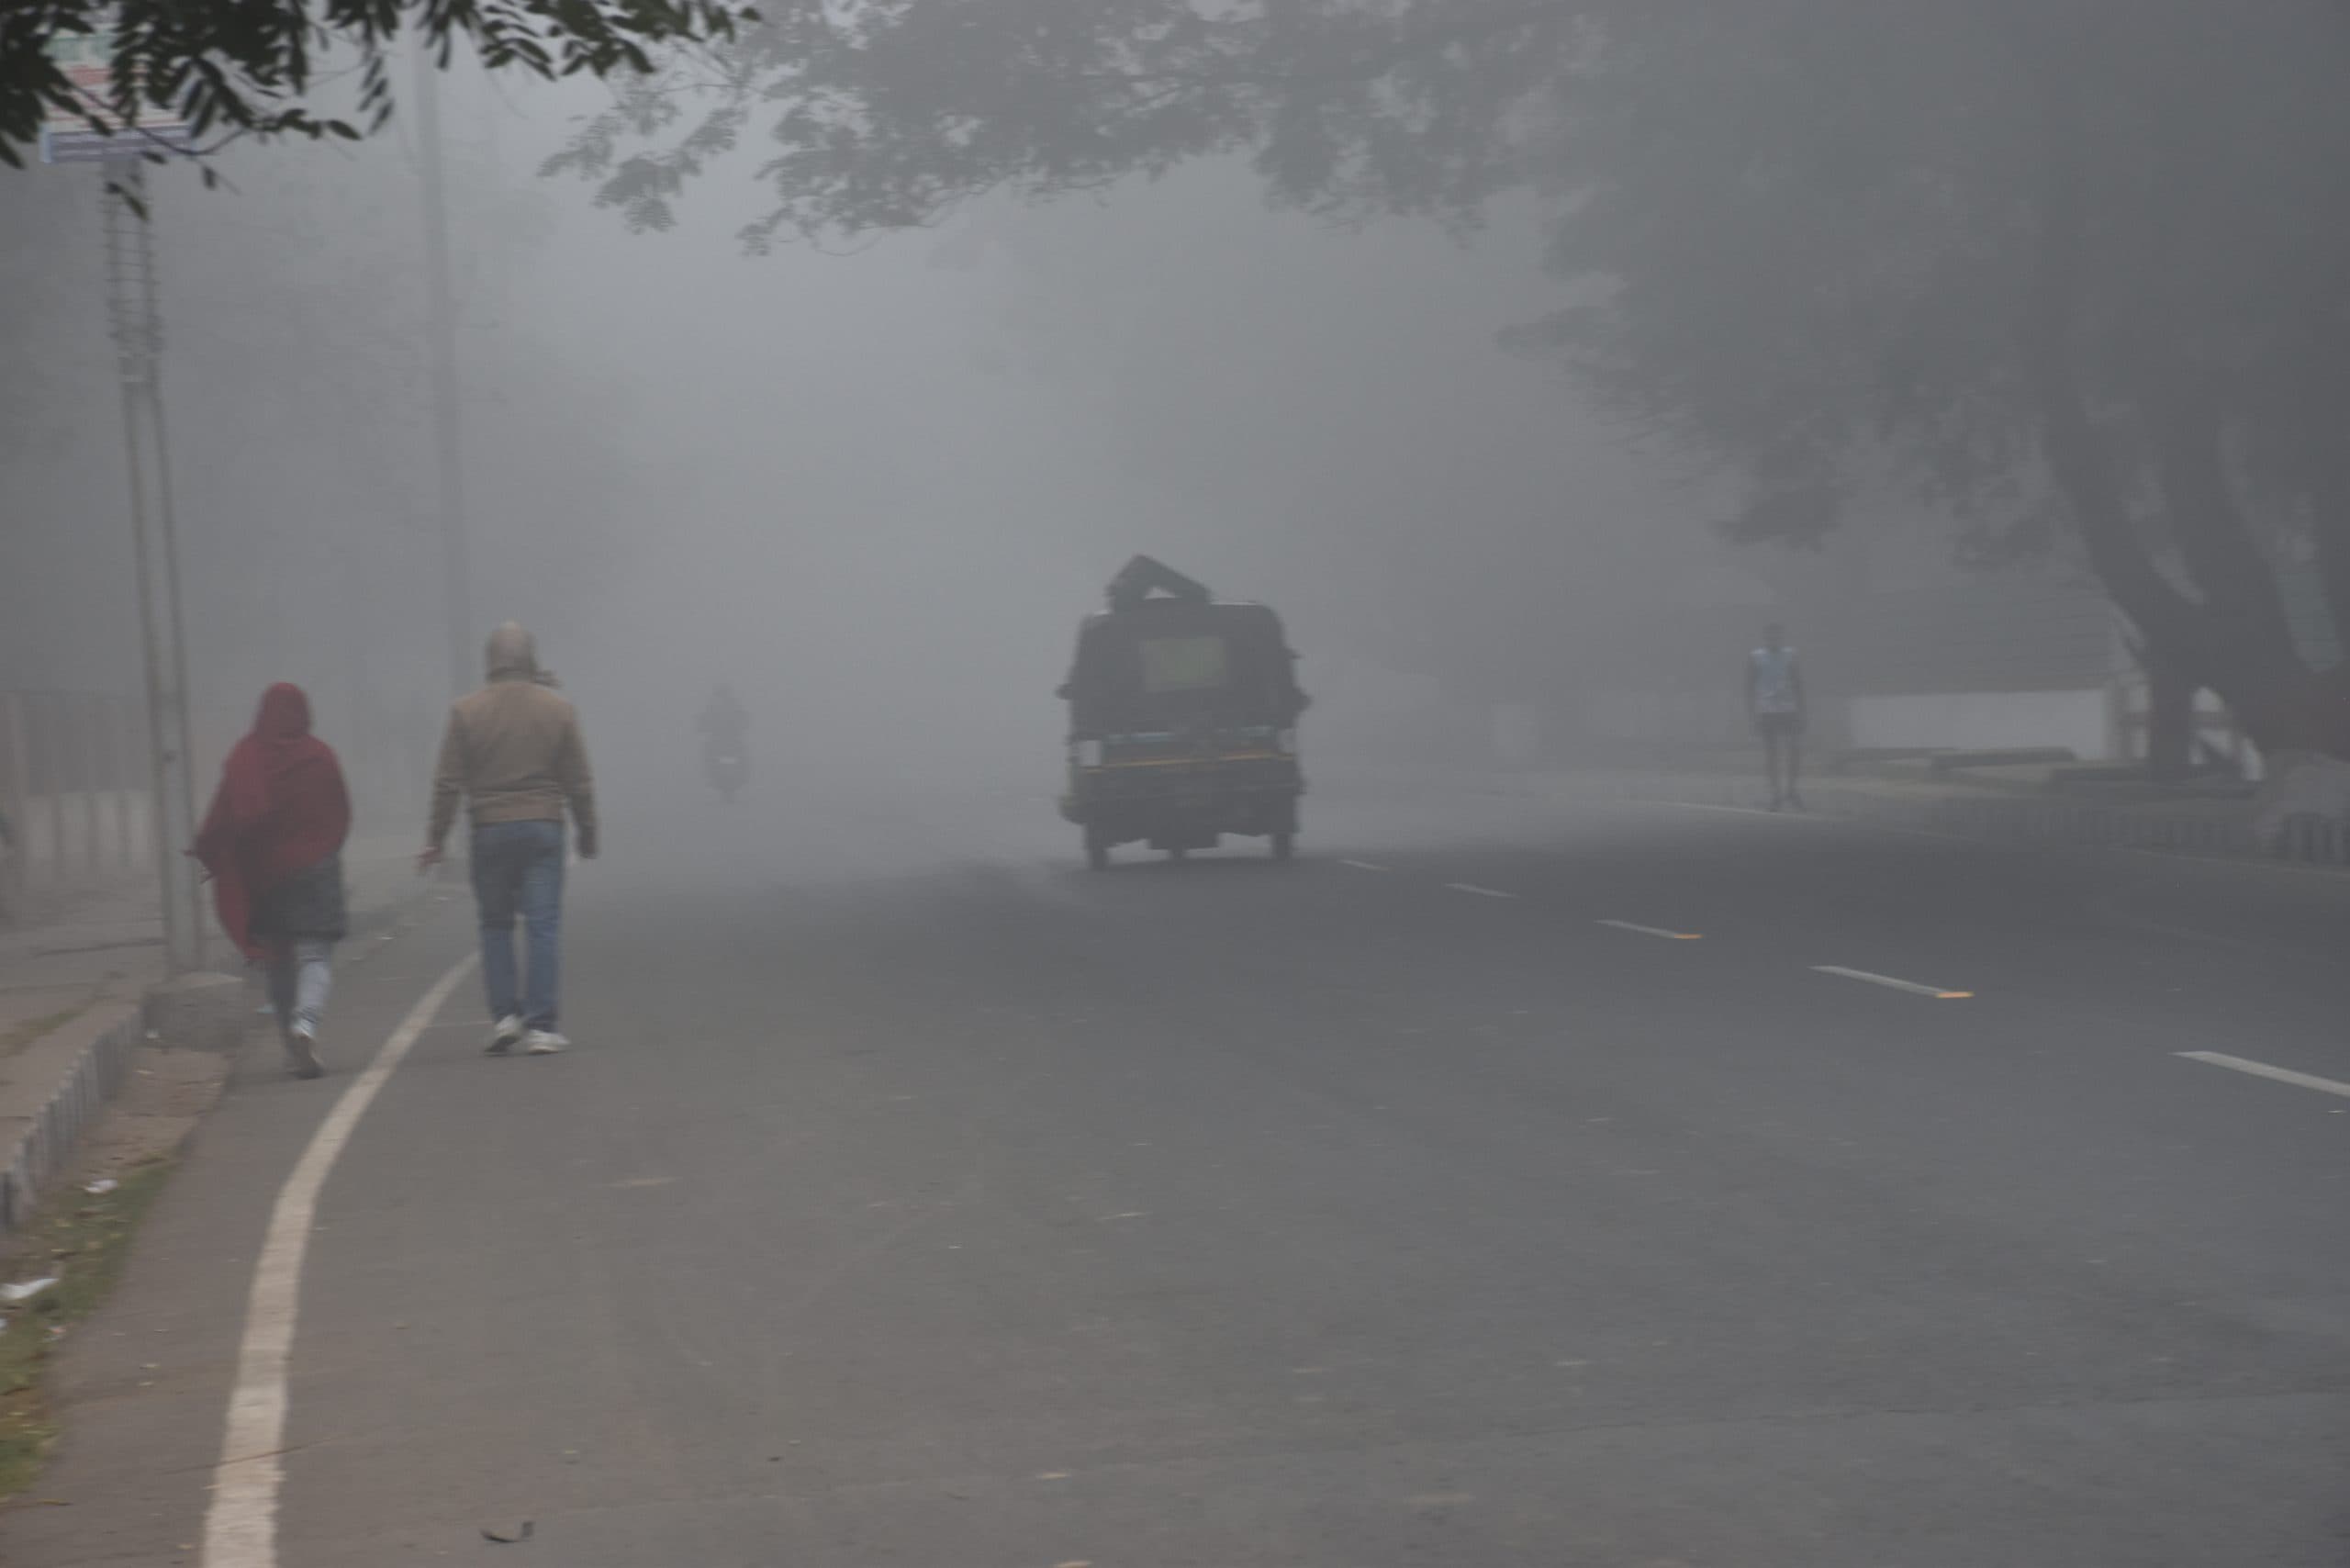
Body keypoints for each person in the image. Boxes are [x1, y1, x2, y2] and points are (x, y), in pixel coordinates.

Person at [420, 623, 598, 1056]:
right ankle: (541, 1025)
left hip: (490, 830)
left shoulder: (466, 711)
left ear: (490, 661)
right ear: (530, 659)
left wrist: (435, 838)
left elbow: (448, 782)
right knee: (542, 925)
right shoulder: (558, 709)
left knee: (495, 925)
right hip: (543, 827)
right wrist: (587, 830)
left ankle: (504, 1017)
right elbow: (578, 781)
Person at [194, 683, 352, 1080]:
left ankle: (288, 1039)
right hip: (315, 869)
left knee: (280, 963)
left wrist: (214, 852)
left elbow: (224, 812)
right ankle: (306, 1025)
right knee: (315, 956)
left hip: (266, 877)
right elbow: (340, 810)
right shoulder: (320, 756)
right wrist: (323, 847)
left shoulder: (245, 757)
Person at [1745, 622, 1807, 811]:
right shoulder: (1756, 657)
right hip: (1766, 711)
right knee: (1771, 753)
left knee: (1794, 748)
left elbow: (1798, 684)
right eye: (1771, 635)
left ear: (1781, 636)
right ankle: (1775, 792)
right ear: (1766, 637)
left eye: (1778, 635)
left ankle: (1791, 789)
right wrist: (1752, 714)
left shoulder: (1790, 655)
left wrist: (1803, 711)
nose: (1775, 639)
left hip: (1789, 709)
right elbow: (1749, 688)